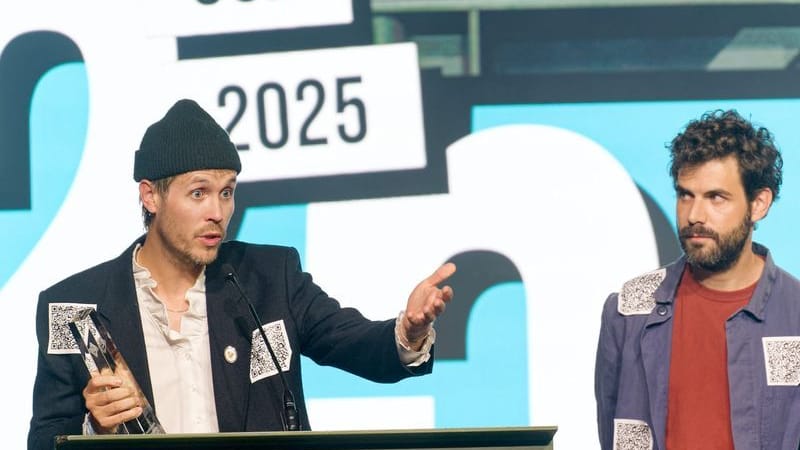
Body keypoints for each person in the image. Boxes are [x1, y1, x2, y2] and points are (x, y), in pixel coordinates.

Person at [28, 99, 456, 450]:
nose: (218, 212)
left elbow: (355, 343)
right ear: (150, 195)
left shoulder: (269, 278)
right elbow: (46, 440)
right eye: (199, 193)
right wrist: (95, 433)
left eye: (227, 192)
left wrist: (409, 332)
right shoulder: (75, 309)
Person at [594, 110, 800, 450]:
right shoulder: (630, 311)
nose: (694, 216)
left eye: (716, 197)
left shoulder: (794, 316)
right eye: (685, 194)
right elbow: (610, 431)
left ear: (758, 204)